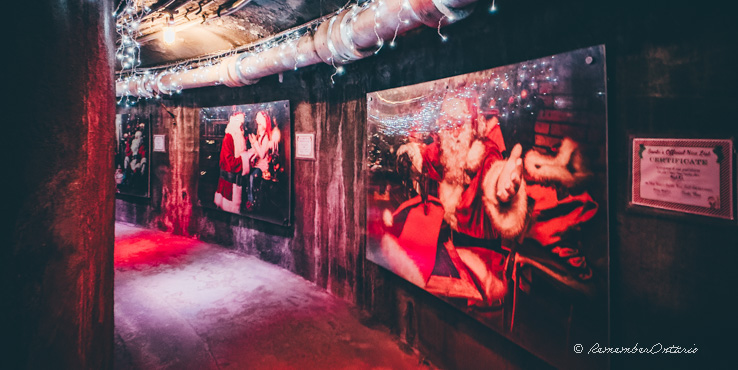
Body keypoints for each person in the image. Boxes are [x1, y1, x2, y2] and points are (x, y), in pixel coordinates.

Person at [379, 94, 529, 308]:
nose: (453, 131)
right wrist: (409, 156)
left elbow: (494, 172)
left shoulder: (486, 152)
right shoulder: (445, 147)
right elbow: (426, 156)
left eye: (459, 123)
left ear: (471, 124)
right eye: (447, 123)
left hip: (482, 251)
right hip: (451, 245)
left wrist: (501, 184)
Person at [214, 112, 253, 214]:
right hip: (229, 187)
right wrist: (246, 157)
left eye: (242, 125)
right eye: (240, 125)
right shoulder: (229, 138)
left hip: (237, 184)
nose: (241, 128)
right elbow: (230, 163)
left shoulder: (239, 138)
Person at [245, 110, 281, 211]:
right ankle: (250, 200)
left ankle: (251, 202)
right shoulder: (259, 135)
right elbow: (256, 151)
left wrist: (255, 142)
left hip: (262, 167)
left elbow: (262, 154)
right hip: (256, 164)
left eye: (259, 123)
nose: (258, 125)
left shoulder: (265, 137)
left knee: (252, 177)